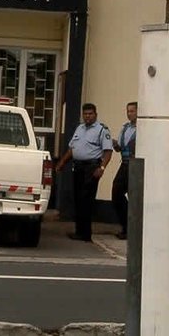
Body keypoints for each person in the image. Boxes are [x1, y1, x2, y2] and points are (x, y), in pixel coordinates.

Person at [55, 103, 113, 242]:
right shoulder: (80, 128)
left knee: (86, 200)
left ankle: (86, 234)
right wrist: (62, 162)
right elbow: (72, 149)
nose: (87, 116)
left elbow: (108, 152)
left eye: (90, 114)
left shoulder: (102, 130)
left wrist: (102, 168)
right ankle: (79, 231)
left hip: (92, 168)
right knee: (78, 199)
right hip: (78, 167)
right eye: (85, 114)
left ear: (95, 115)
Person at [111, 101, 138, 240]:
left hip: (136, 165)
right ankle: (126, 224)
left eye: (132, 111)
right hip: (125, 164)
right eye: (128, 111)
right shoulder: (125, 128)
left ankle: (131, 228)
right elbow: (120, 148)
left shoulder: (143, 128)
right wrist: (115, 144)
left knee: (135, 196)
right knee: (116, 193)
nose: (129, 114)